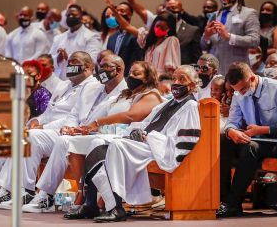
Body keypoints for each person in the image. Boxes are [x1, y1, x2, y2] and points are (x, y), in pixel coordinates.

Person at [22, 60, 163, 213]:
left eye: (136, 74)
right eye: (131, 73)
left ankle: (89, 198)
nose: (131, 77)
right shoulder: (124, 95)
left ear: (148, 77)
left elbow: (130, 116)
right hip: (106, 133)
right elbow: (98, 114)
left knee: (81, 142)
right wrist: (81, 129)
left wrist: (96, 124)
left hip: (127, 139)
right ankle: (69, 195)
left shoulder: (151, 95)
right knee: (67, 141)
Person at [65, 65, 201, 222]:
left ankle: (113, 207)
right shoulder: (166, 104)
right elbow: (144, 124)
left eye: (182, 79)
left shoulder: (190, 106)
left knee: (116, 146)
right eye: (175, 78)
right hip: (145, 144)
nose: (176, 82)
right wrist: (135, 133)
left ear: (192, 85)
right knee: (97, 142)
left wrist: (148, 137)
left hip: (159, 150)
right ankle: (93, 204)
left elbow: (185, 140)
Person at [0, 54, 127, 210]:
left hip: (96, 134)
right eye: (100, 65)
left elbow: (114, 121)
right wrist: (69, 127)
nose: (101, 69)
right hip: (74, 131)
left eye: (105, 66)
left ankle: (45, 195)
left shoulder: (124, 92)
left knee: (56, 140)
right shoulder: (92, 88)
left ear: (118, 70)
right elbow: (73, 114)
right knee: (19, 136)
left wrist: (76, 129)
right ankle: (13, 190)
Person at [219, 62, 277, 217]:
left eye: (244, 88)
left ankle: (232, 202)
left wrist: (264, 129)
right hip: (256, 138)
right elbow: (232, 121)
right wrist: (231, 131)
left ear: (252, 78)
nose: (241, 93)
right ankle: (224, 200)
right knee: (223, 142)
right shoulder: (239, 93)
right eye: (237, 90)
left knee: (250, 147)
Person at [201, 0, 260, 75]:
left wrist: (229, 36)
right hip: (214, 70)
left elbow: (254, 41)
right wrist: (207, 37)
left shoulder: (248, 13)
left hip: (236, 69)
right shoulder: (215, 15)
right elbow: (203, 45)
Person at [49, 4, 102, 80]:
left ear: (81, 18)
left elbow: (92, 61)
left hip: (81, 81)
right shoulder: (58, 38)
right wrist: (58, 58)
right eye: (68, 15)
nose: (70, 17)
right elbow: (49, 61)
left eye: (73, 15)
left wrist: (69, 58)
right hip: (59, 81)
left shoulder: (91, 36)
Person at [106, 2, 143, 75]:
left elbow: (135, 60)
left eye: (122, 11)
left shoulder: (136, 35)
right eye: (117, 11)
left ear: (130, 14)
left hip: (128, 76)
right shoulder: (111, 38)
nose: (118, 13)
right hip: (112, 76)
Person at [165, 0, 202, 65]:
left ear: (181, 11)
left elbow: (197, 58)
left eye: (173, 8)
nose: (170, 11)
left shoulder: (192, 30)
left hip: (183, 70)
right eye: (168, 9)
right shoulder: (160, 29)